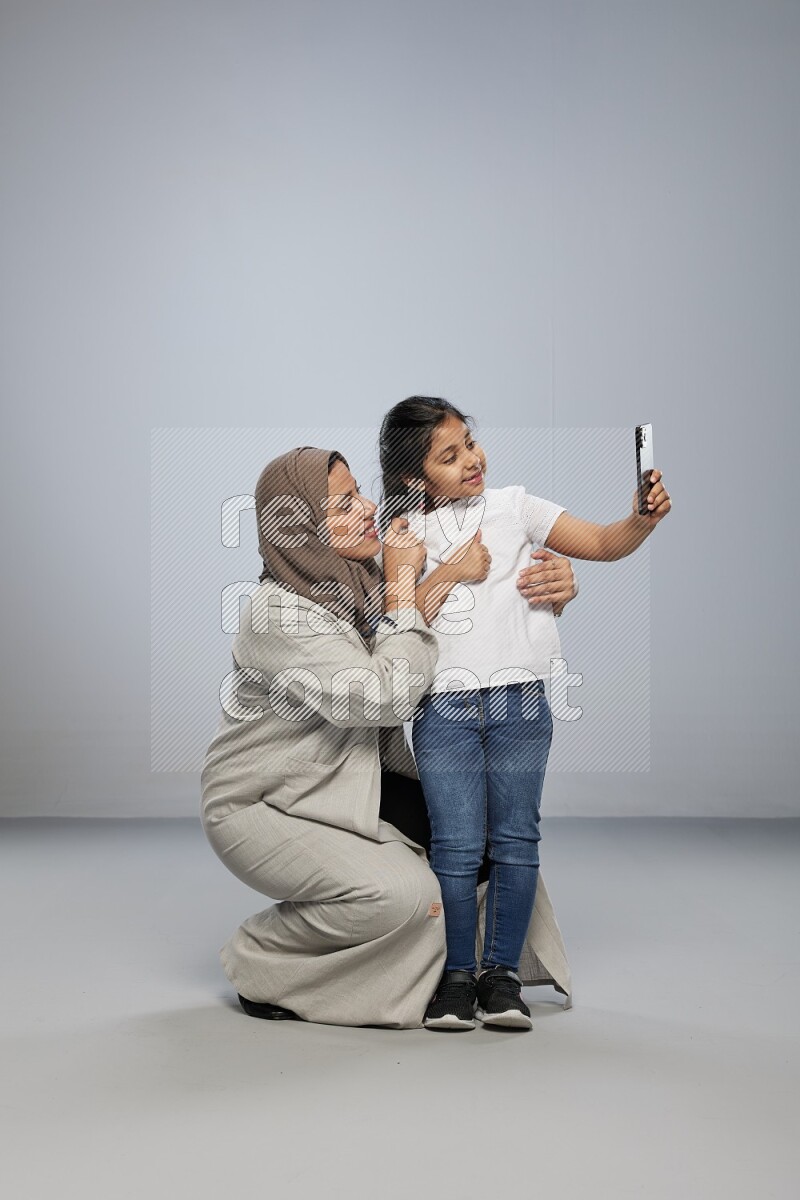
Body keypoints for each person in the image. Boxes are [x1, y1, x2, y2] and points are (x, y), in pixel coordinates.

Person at [200, 444, 579, 1028]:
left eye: (359, 493)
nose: (368, 507)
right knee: (405, 895)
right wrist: (404, 589)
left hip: (347, 781)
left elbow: (471, 621)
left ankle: (480, 972)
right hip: (264, 804)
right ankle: (263, 958)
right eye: (344, 503)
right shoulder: (276, 615)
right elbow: (384, 695)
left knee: (474, 834)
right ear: (298, 525)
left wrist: (553, 584)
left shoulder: (358, 584)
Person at [378, 396, 672, 1031]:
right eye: (448, 457)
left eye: (470, 444)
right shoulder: (404, 538)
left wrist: (640, 520)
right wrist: (452, 570)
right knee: (454, 847)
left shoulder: (515, 506)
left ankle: (502, 978)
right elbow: (401, 622)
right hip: (443, 706)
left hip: (520, 700)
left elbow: (599, 541)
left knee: (516, 840)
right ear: (413, 476)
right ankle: (456, 977)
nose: (471, 461)